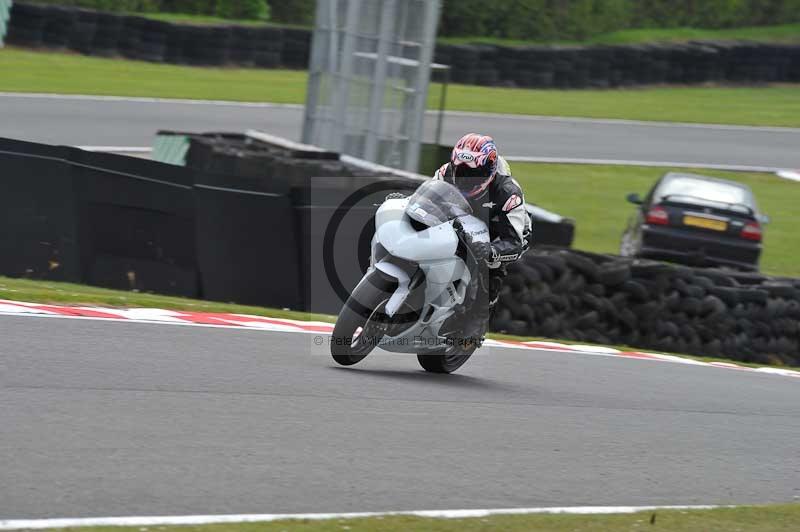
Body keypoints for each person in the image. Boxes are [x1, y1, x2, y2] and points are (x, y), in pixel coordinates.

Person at [433, 133, 531, 343]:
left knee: (490, 263)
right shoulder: (445, 173)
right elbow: (427, 200)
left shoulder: (507, 192)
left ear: (489, 170)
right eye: (462, 171)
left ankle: (479, 317)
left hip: (500, 229)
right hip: (463, 217)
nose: (467, 178)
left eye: (475, 173)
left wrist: (492, 251)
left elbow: (514, 241)